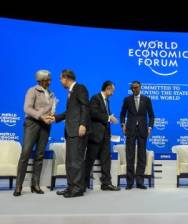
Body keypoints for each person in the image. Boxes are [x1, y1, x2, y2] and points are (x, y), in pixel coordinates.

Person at [13, 70, 55, 196]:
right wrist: (40, 116)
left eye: (50, 79)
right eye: (48, 79)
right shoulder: (32, 90)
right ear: (41, 80)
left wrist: (50, 117)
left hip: (45, 126)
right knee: (25, 154)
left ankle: (35, 184)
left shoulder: (51, 94)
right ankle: (19, 185)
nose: (49, 82)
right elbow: (27, 108)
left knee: (40, 155)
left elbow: (50, 109)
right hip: (32, 124)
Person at [54, 69, 89, 198]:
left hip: (77, 130)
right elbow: (70, 112)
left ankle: (78, 188)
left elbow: (85, 107)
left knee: (76, 160)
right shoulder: (70, 92)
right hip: (70, 130)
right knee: (69, 161)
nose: (60, 81)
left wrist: (83, 124)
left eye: (60, 78)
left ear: (66, 78)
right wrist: (56, 118)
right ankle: (71, 186)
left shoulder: (80, 88)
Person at [85, 80, 120, 191]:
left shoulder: (107, 101)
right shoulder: (95, 98)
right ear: (108, 88)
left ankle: (106, 183)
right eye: (112, 91)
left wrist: (109, 116)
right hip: (95, 135)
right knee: (89, 160)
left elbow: (103, 114)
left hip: (105, 136)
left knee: (106, 160)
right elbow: (93, 113)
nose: (113, 93)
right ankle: (82, 183)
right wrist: (109, 118)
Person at [120, 80, 154, 190]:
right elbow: (122, 114)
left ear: (140, 87)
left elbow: (152, 115)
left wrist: (149, 127)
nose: (134, 89)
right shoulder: (127, 99)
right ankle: (129, 182)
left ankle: (140, 182)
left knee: (141, 156)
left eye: (136, 87)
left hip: (143, 130)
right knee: (130, 156)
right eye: (133, 88)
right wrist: (123, 125)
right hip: (130, 130)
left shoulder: (146, 99)